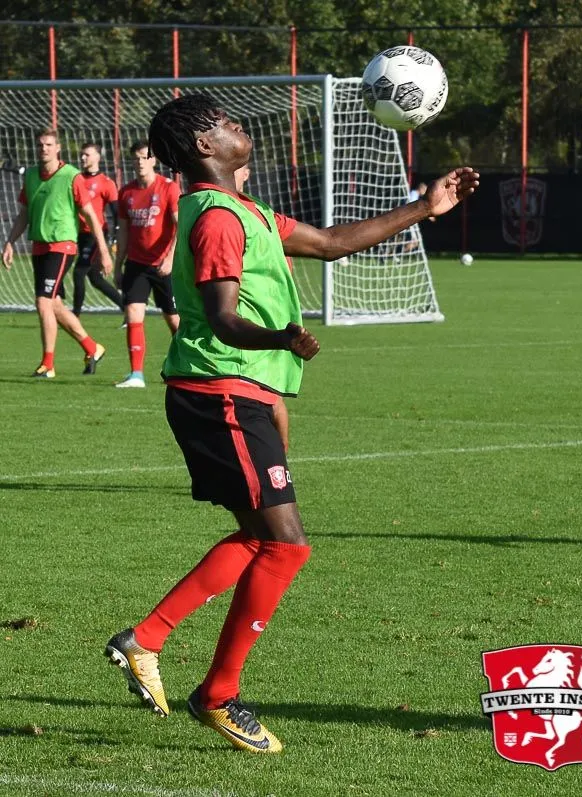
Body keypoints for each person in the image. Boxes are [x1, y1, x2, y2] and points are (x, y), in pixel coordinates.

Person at [105, 93, 478, 753]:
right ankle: (218, 693)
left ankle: (147, 638)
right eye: (227, 122)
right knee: (287, 543)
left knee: (259, 537)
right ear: (202, 146)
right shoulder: (217, 218)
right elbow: (223, 316)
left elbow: (332, 244)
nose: (240, 127)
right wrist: (278, 336)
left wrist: (427, 205)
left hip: (230, 392)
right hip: (220, 391)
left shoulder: (242, 209)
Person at [1, 128, 111, 378]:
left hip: (62, 245)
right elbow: (24, 214)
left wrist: (104, 250)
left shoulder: (71, 176)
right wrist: (9, 242)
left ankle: (48, 364)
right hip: (39, 246)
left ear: (58, 148)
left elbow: (91, 215)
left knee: (43, 302)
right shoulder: (30, 175)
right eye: (40, 145)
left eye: (49, 145)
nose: (44, 149)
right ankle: (92, 348)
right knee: (56, 305)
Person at [114, 141, 180, 388]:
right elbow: (123, 232)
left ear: (154, 161)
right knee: (133, 314)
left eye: (144, 157)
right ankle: (136, 375)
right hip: (136, 264)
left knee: (174, 321)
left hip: (164, 265)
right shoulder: (126, 192)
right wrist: (118, 263)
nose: (139, 162)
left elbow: (179, 225)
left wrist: (171, 259)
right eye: (135, 159)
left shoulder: (168, 188)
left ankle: (186, 367)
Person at [72, 142, 123, 317]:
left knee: (79, 273)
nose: (82, 158)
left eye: (87, 154)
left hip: (96, 234)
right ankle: (126, 308)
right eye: (81, 154)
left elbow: (117, 213)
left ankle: (75, 316)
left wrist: (115, 238)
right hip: (77, 234)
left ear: (97, 157)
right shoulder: (76, 179)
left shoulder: (106, 183)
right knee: (95, 278)